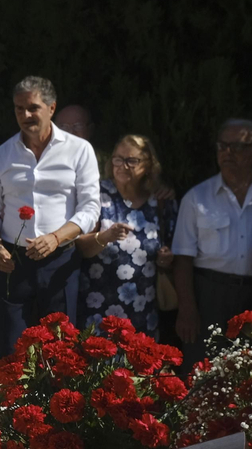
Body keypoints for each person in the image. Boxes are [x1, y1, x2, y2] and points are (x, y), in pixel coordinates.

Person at [0, 77, 100, 349]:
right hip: (13, 261)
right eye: (19, 109)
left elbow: (91, 208)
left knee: (61, 349)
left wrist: (56, 237)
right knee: (13, 348)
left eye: (32, 107)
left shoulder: (79, 150)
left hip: (60, 261)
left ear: (51, 108)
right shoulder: (1, 155)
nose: (26, 115)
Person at [172, 120, 252, 368]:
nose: (227, 153)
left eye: (236, 146)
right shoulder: (197, 197)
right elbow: (182, 258)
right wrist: (187, 309)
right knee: (201, 372)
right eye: (222, 146)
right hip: (209, 296)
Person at [75, 135, 177, 335]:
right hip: (97, 311)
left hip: (142, 312)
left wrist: (166, 259)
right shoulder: (96, 196)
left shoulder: (161, 201)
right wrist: (104, 237)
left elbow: (175, 251)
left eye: (132, 160)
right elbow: (79, 247)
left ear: (148, 166)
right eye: (118, 159)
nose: (123, 166)